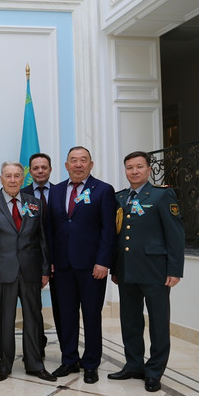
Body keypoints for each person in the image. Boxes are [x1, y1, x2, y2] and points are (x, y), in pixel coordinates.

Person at [0, 162, 56, 382]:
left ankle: (35, 363)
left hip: (30, 272)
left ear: (23, 179)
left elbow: (42, 240)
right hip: (0, 272)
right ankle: (5, 364)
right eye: (8, 176)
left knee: (33, 318)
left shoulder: (35, 203)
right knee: (4, 320)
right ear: (1, 179)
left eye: (17, 176)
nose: (12, 180)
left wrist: (45, 269)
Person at [109, 151, 184, 392]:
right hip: (127, 271)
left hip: (155, 271)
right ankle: (133, 364)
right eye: (129, 167)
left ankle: (154, 371)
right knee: (130, 321)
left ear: (149, 169)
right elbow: (118, 236)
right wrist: (115, 268)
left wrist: (175, 269)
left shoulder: (162, 195)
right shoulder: (120, 198)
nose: (134, 171)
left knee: (158, 323)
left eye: (139, 167)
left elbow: (175, 234)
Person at [47, 146, 116, 384]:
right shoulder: (55, 191)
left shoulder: (103, 190)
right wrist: (50, 262)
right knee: (65, 315)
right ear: (66, 165)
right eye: (73, 160)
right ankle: (69, 360)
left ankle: (90, 363)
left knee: (91, 316)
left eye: (83, 160)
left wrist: (103, 262)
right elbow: (50, 230)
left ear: (91, 164)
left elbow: (109, 230)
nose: (78, 165)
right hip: (62, 266)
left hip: (91, 267)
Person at [20, 152, 55, 355]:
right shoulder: (22, 194)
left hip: (61, 260)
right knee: (34, 309)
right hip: (32, 262)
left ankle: (69, 354)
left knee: (63, 310)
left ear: (50, 169)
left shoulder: (61, 192)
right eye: (35, 168)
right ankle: (35, 351)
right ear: (30, 171)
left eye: (44, 167)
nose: (40, 171)